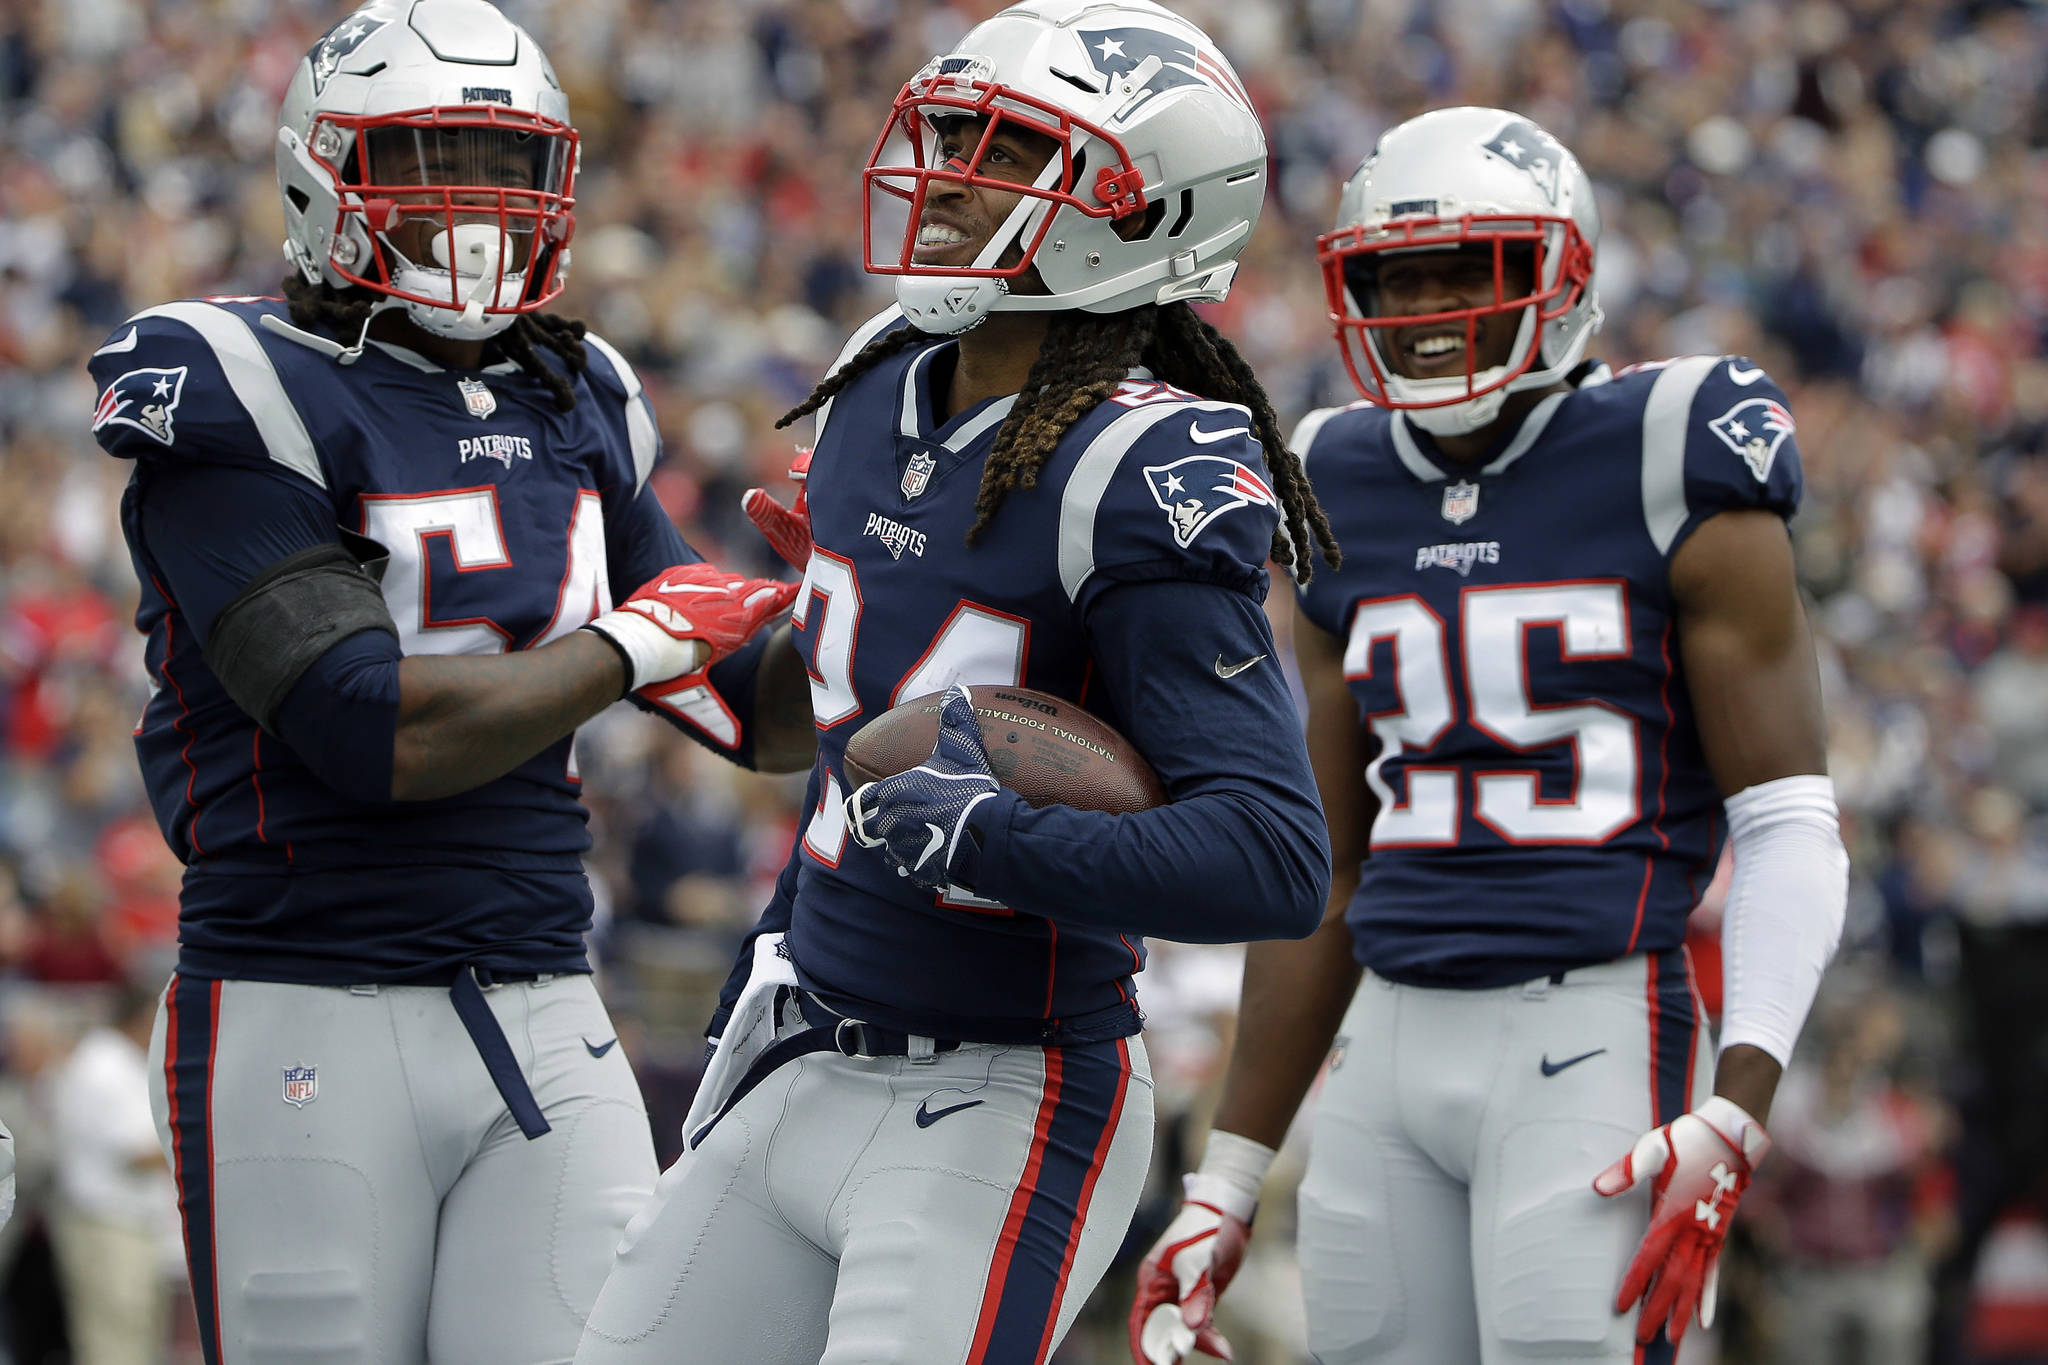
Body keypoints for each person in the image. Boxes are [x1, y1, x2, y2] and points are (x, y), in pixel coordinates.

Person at [574, 3, 1340, 1362]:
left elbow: (1274, 857)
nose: (946, 173)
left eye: (1003, 151)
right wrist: (652, 633)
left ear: (1137, 207)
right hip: (798, 1044)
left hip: (1001, 1098)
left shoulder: (1140, 468)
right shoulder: (880, 381)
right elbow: (826, 735)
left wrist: (998, 836)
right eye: (953, 133)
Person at [85, 4, 809, 1363]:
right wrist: (629, 647)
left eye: (501, 162)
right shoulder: (238, 390)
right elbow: (367, 728)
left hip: (544, 999)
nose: (472, 204)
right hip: (307, 999)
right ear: (324, 173)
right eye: (426, 156)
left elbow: (755, 716)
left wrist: (859, 607)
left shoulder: (575, 391)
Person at [1129, 106, 1850, 1365]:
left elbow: (1787, 820)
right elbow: (1326, 870)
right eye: (1392, 276)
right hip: (1384, 1048)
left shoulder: (1671, 446)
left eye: (1470, 265)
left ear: (1560, 270)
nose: (1425, 305)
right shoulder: (1331, 472)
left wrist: (1736, 1109)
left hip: (1593, 1027)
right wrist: (1225, 1180)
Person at [46, 982, 181, 1365]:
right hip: (107, 1224)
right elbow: (140, 1153)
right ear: (143, 1018)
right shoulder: (104, 1065)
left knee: (135, 1338)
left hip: (128, 1223)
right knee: (115, 1343)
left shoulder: (121, 1061)